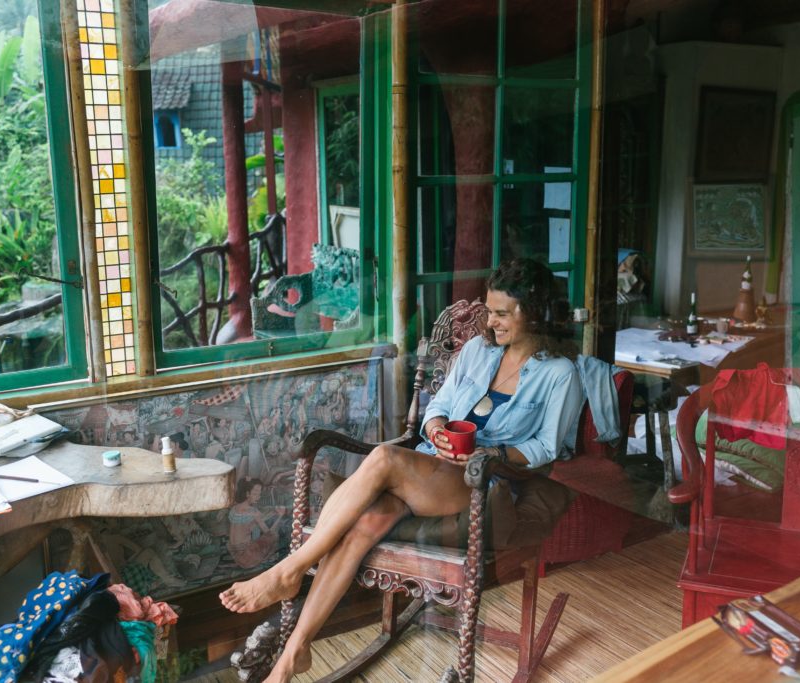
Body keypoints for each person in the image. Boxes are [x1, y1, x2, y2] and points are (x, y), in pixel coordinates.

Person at [219, 258, 583, 683]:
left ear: (534, 312)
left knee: (385, 459)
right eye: (489, 309)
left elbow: (546, 449)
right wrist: (436, 428)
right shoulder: (477, 352)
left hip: (486, 480)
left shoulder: (560, 375)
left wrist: (490, 450)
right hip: (433, 466)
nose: (491, 320)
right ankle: (291, 657)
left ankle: (290, 570)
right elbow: (441, 406)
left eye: (502, 313)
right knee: (363, 526)